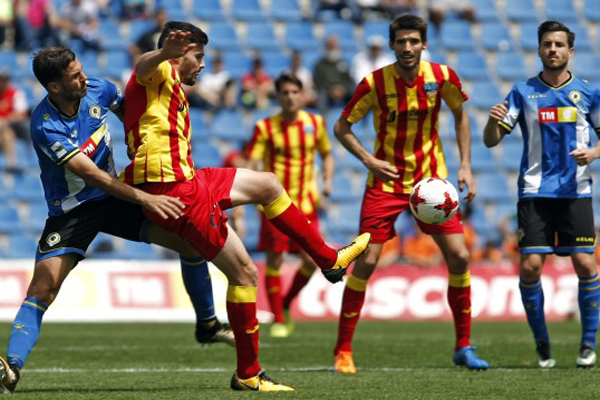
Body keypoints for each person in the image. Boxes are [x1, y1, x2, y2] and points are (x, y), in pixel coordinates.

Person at [120, 21, 370, 391]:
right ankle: (249, 374)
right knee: (245, 275)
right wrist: (164, 53)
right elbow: (141, 66)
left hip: (189, 180)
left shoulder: (172, 86)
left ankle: (329, 260)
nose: (202, 64)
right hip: (175, 193)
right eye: (199, 56)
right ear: (178, 54)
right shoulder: (156, 72)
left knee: (268, 183)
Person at [0, 47, 233, 394]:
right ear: (53, 87)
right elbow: (92, 176)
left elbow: (133, 116)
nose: (83, 77)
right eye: (74, 75)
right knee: (43, 288)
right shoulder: (45, 126)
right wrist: (147, 198)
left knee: (190, 242)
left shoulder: (98, 89)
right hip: (73, 212)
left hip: (115, 199)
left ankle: (208, 324)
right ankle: (11, 366)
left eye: (81, 70)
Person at [332, 14, 488, 374]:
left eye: (413, 41)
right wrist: (370, 160)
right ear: (391, 45)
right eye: (401, 41)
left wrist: (465, 166)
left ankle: (463, 346)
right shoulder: (374, 82)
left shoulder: (443, 77)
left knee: (460, 257)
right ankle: (343, 349)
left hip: (430, 186)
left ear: (424, 43)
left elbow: (461, 116)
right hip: (385, 184)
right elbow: (342, 127)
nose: (407, 48)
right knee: (367, 261)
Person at [483, 20, 600, 369]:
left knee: (584, 262)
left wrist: (594, 153)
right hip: (534, 192)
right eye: (547, 44)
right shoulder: (522, 92)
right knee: (532, 266)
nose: (553, 49)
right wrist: (492, 121)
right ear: (539, 50)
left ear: (570, 51)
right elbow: (492, 140)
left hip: (575, 192)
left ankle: (587, 345)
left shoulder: (589, 93)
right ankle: (543, 344)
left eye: (559, 44)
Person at [247, 72, 335, 338]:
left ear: (303, 94)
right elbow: (252, 162)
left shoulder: (315, 123)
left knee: (313, 260)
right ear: (278, 96)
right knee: (275, 259)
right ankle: (279, 317)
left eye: (295, 92)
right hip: (274, 206)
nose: (290, 97)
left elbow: (327, 154)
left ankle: (284, 303)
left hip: (306, 204)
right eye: (284, 93)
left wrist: (328, 180)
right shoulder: (265, 127)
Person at [313, 35, 355, 111]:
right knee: (322, 97)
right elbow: (317, 81)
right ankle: (324, 119)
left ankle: (355, 119)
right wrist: (331, 89)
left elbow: (349, 80)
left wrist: (342, 88)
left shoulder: (344, 63)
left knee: (355, 92)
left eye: (334, 47)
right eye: (330, 47)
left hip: (343, 91)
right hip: (327, 92)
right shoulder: (320, 64)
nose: (332, 49)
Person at [0, 69, 29, 172]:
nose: (3, 83)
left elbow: (21, 113)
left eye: (5, 80)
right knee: (7, 133)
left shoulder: (15, 93)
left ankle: (11, 164)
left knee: (8, 133)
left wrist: (6, 119)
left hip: (13, 127)